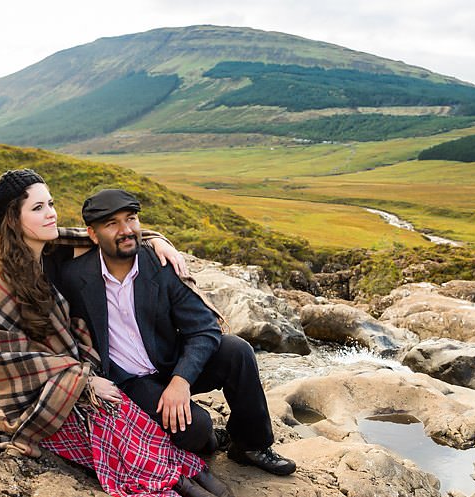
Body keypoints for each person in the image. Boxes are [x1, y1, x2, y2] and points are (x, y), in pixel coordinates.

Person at [0, 169, 235, 497]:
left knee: (118, 405)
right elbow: (8, 360)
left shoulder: (47, 245)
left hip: (60, 369)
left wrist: (158, 240)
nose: (51, 214)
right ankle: (181, 482)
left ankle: (190, 471)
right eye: (38, 208)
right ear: (14, 219)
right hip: (6, 393)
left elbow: (111, 236)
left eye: (50, 203)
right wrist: (81, 379)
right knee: (104, 419)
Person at [49, 188, 296, 476]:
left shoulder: (159, 264)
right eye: (112, 224)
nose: (126, 230)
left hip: (169, 361)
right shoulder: (73, 277)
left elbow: (204, 328)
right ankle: (212, 439)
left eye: (131, 219)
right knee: (197, 429)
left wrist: (181, 381)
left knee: (237, 351)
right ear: (92, 234)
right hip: (129, 381)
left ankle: (251, 445)